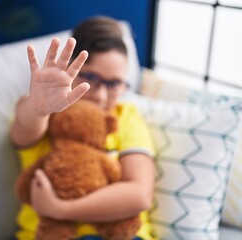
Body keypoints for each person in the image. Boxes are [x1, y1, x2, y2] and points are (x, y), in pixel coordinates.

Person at [10, 16, 156, 240]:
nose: (99, 95)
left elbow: (139, 195)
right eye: (89, 77)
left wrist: (59, 209)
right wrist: (38, 108)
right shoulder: (43, 110)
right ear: (70, 69)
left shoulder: (125, 116)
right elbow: (24, 127)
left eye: (114, 83)